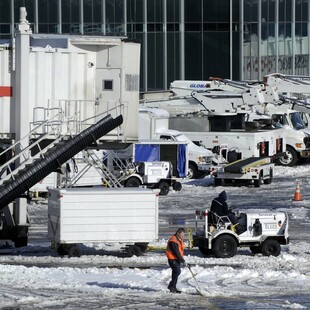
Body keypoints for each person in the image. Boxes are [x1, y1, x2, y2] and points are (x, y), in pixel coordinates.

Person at [166, 227, 188, 294]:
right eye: (182, 235)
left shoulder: (179, 239)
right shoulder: (173, 241)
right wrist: (183, 261)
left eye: (183, 235)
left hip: (177, 259)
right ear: (178, 233)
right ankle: (172, 286)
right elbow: (176, 252)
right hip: (172, 259)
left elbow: (180, 251)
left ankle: (172, 286)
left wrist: (182, 260)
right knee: (177, 271)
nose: (183, 236)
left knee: (176, 272)